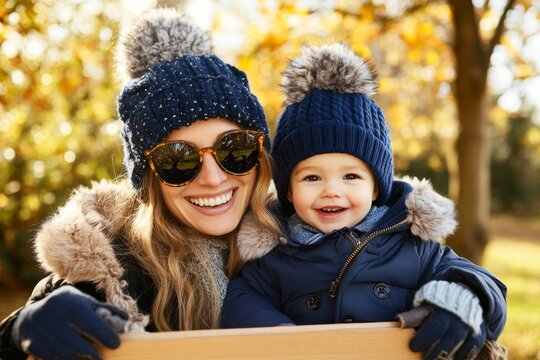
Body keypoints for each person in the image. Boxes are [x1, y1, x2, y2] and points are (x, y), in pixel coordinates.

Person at [0, 8, 281, 360]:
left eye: (234, 149)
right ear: (148, 178)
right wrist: (13, 333)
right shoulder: (114, 275)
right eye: (178, 159)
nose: (212, 178)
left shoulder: (304, 243)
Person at [221, 43, 507, 360]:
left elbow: (480, 281)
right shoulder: (277, 255)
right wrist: (283, 339)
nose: (331, 190)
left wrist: (459, 297)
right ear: (288, 191)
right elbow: (241, 300)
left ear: (375, 188)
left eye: (351, 177)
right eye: (312, 178)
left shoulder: (411, 243)